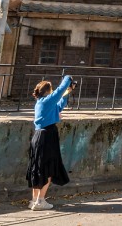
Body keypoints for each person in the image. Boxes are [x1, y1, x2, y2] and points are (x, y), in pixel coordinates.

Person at [26, 75, 76, 211]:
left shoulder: (42, 102)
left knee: (37, 168)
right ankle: (41, 200)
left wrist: (68, 93)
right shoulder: (47, 101)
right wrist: (68, 78)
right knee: (47, 169)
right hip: (47, 136)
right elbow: (60, 91)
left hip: (39, 136)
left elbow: (59, 107)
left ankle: (34, 200)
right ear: (48, 91)